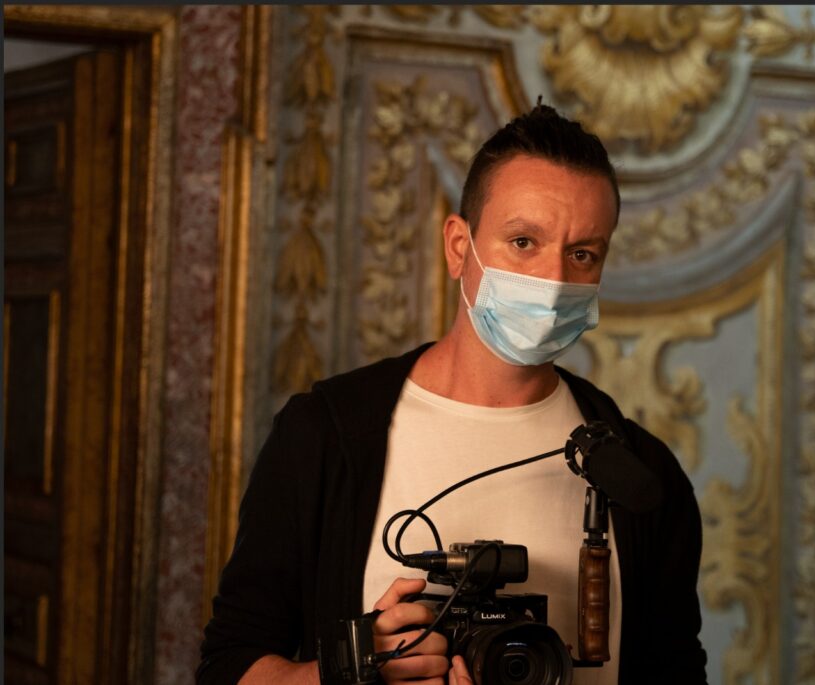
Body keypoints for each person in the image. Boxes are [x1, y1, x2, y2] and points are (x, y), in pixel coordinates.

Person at [197, 103, 707, 684]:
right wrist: (351, 671)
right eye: (523, 241)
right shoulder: (326, 437)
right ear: (459, 246)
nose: (554, 280)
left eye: (582, 254)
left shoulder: (642, 475)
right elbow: (227, 667)